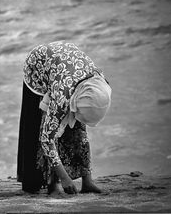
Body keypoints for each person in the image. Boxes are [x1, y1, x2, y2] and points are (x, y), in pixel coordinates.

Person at [17, 41, 112, 195]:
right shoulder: (61, 96)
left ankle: (87, 182)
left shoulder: (99, 83)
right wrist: (65, 178)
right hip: (38, 64)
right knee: (47, 126)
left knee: (79, 130)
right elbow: (46, 140)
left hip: (65, 65)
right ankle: (52, 184)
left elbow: (80, 119)